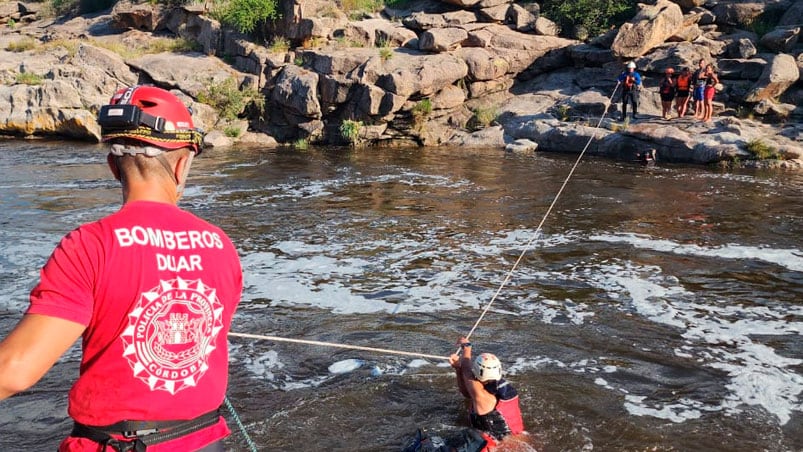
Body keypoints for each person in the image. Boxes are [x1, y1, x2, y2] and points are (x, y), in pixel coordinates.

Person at [0, 85, 243, 451]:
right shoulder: (221, 245)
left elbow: (14, 371)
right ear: (181, 165)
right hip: (205, 442)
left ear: (114, 167)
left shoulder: (88, 247)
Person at [449, 338, 524, 450]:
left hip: (503, 447)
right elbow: (467, 393)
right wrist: (458, 369)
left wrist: (467, 348)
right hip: (517, 441)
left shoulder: (482, 396)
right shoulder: (495, 389)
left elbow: (467, 370)